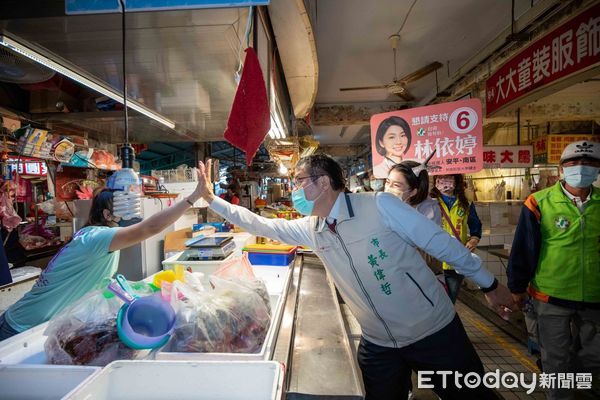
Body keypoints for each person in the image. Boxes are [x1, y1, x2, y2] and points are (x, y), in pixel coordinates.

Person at [196, 154, 514, 399]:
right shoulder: (313, 228)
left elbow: (441, 244)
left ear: (322, 183)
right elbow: (261, 225)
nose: (293, 190)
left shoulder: (381, 206)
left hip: (433, 332)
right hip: (378, 344)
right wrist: (212, 199)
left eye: (298, 181)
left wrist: (490, 283)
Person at [0, 172, 205, 341]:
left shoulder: (92, 237)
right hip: (19, 328)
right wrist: (192, 197)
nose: (129, 217)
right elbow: (150, 228)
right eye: (122, 211)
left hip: (35, 327)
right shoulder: (97, 237)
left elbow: (101, 285)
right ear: (107, 215)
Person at [507, 140, 600, 400]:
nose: (581, 167)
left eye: (590, 163)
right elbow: (523, 248)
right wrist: (516, 287)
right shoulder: (539, 202)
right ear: (561, 169)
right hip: (550, 296)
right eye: (573, 163)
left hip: (594, 296)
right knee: (555, 359)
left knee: (594, 358)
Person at [431, 174, 482, 304]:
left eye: (450, 178)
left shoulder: (466, 203)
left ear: (456, 181)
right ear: (436, 181)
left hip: (456, 260)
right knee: (433, 301)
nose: (445, 181)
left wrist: (474, 239)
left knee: (449, 300)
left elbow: (475, 224)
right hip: (433, 261)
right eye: (441, 178)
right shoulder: (430, 202)